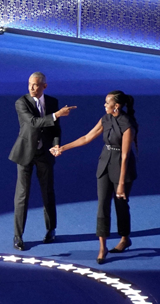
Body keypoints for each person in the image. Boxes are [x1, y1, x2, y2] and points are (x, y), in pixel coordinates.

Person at [52, 91, 138, 264]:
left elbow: (125, 156)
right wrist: (62, 148)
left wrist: (121, 183)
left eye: (107, 103)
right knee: (102, 205)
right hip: (105, 164)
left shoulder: (127, 124)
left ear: (116, 106)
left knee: (121, 204)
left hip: (122, 168)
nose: (104, 105)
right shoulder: (105, 119)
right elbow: (87, 137)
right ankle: (102, 246)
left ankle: (124, 238)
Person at [9, 72, 76, 251]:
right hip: (25, 154)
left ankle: (51, 229)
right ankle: (18, 236)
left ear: (44, 86)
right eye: (30, 84)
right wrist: (56, 115)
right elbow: (33, 122)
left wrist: (56, 145)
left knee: (48, 191)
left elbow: (55, 129)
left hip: (44, 155)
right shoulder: (21, 102)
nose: (32, 88)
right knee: (22, 195)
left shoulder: (53, 102)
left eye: (36, 85)